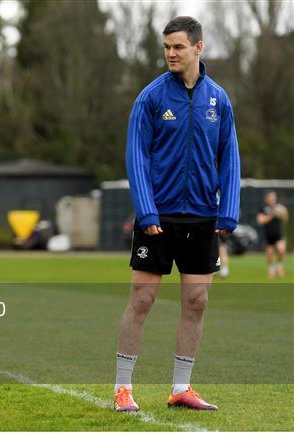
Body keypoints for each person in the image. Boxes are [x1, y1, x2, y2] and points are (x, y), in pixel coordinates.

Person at [116, 16, 240, 412]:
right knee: (142, 300)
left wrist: (229, 210)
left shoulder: (218, 99)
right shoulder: (150, 98)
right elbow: (136, 156)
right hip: (159, 217)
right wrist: (146, 209)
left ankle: (181, 388)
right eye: (166, 47)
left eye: (178, 47)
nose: (170, 53)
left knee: (197, 302)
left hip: (203, 216)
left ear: (198, 48)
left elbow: (230, 157)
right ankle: (123, 389)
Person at [257, 190, 288, 278]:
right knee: (270, 254)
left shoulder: (279, 207)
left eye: (273, 197)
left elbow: (285, 219)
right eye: (270, 197)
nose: (272, 199)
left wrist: (284, 212)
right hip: (268, 235)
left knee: (281, 250)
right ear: (267, 198)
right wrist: (271, 215)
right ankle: (271, 268)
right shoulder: (263, 208)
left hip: (278, 234)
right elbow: (260, 220)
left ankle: (279, 265)